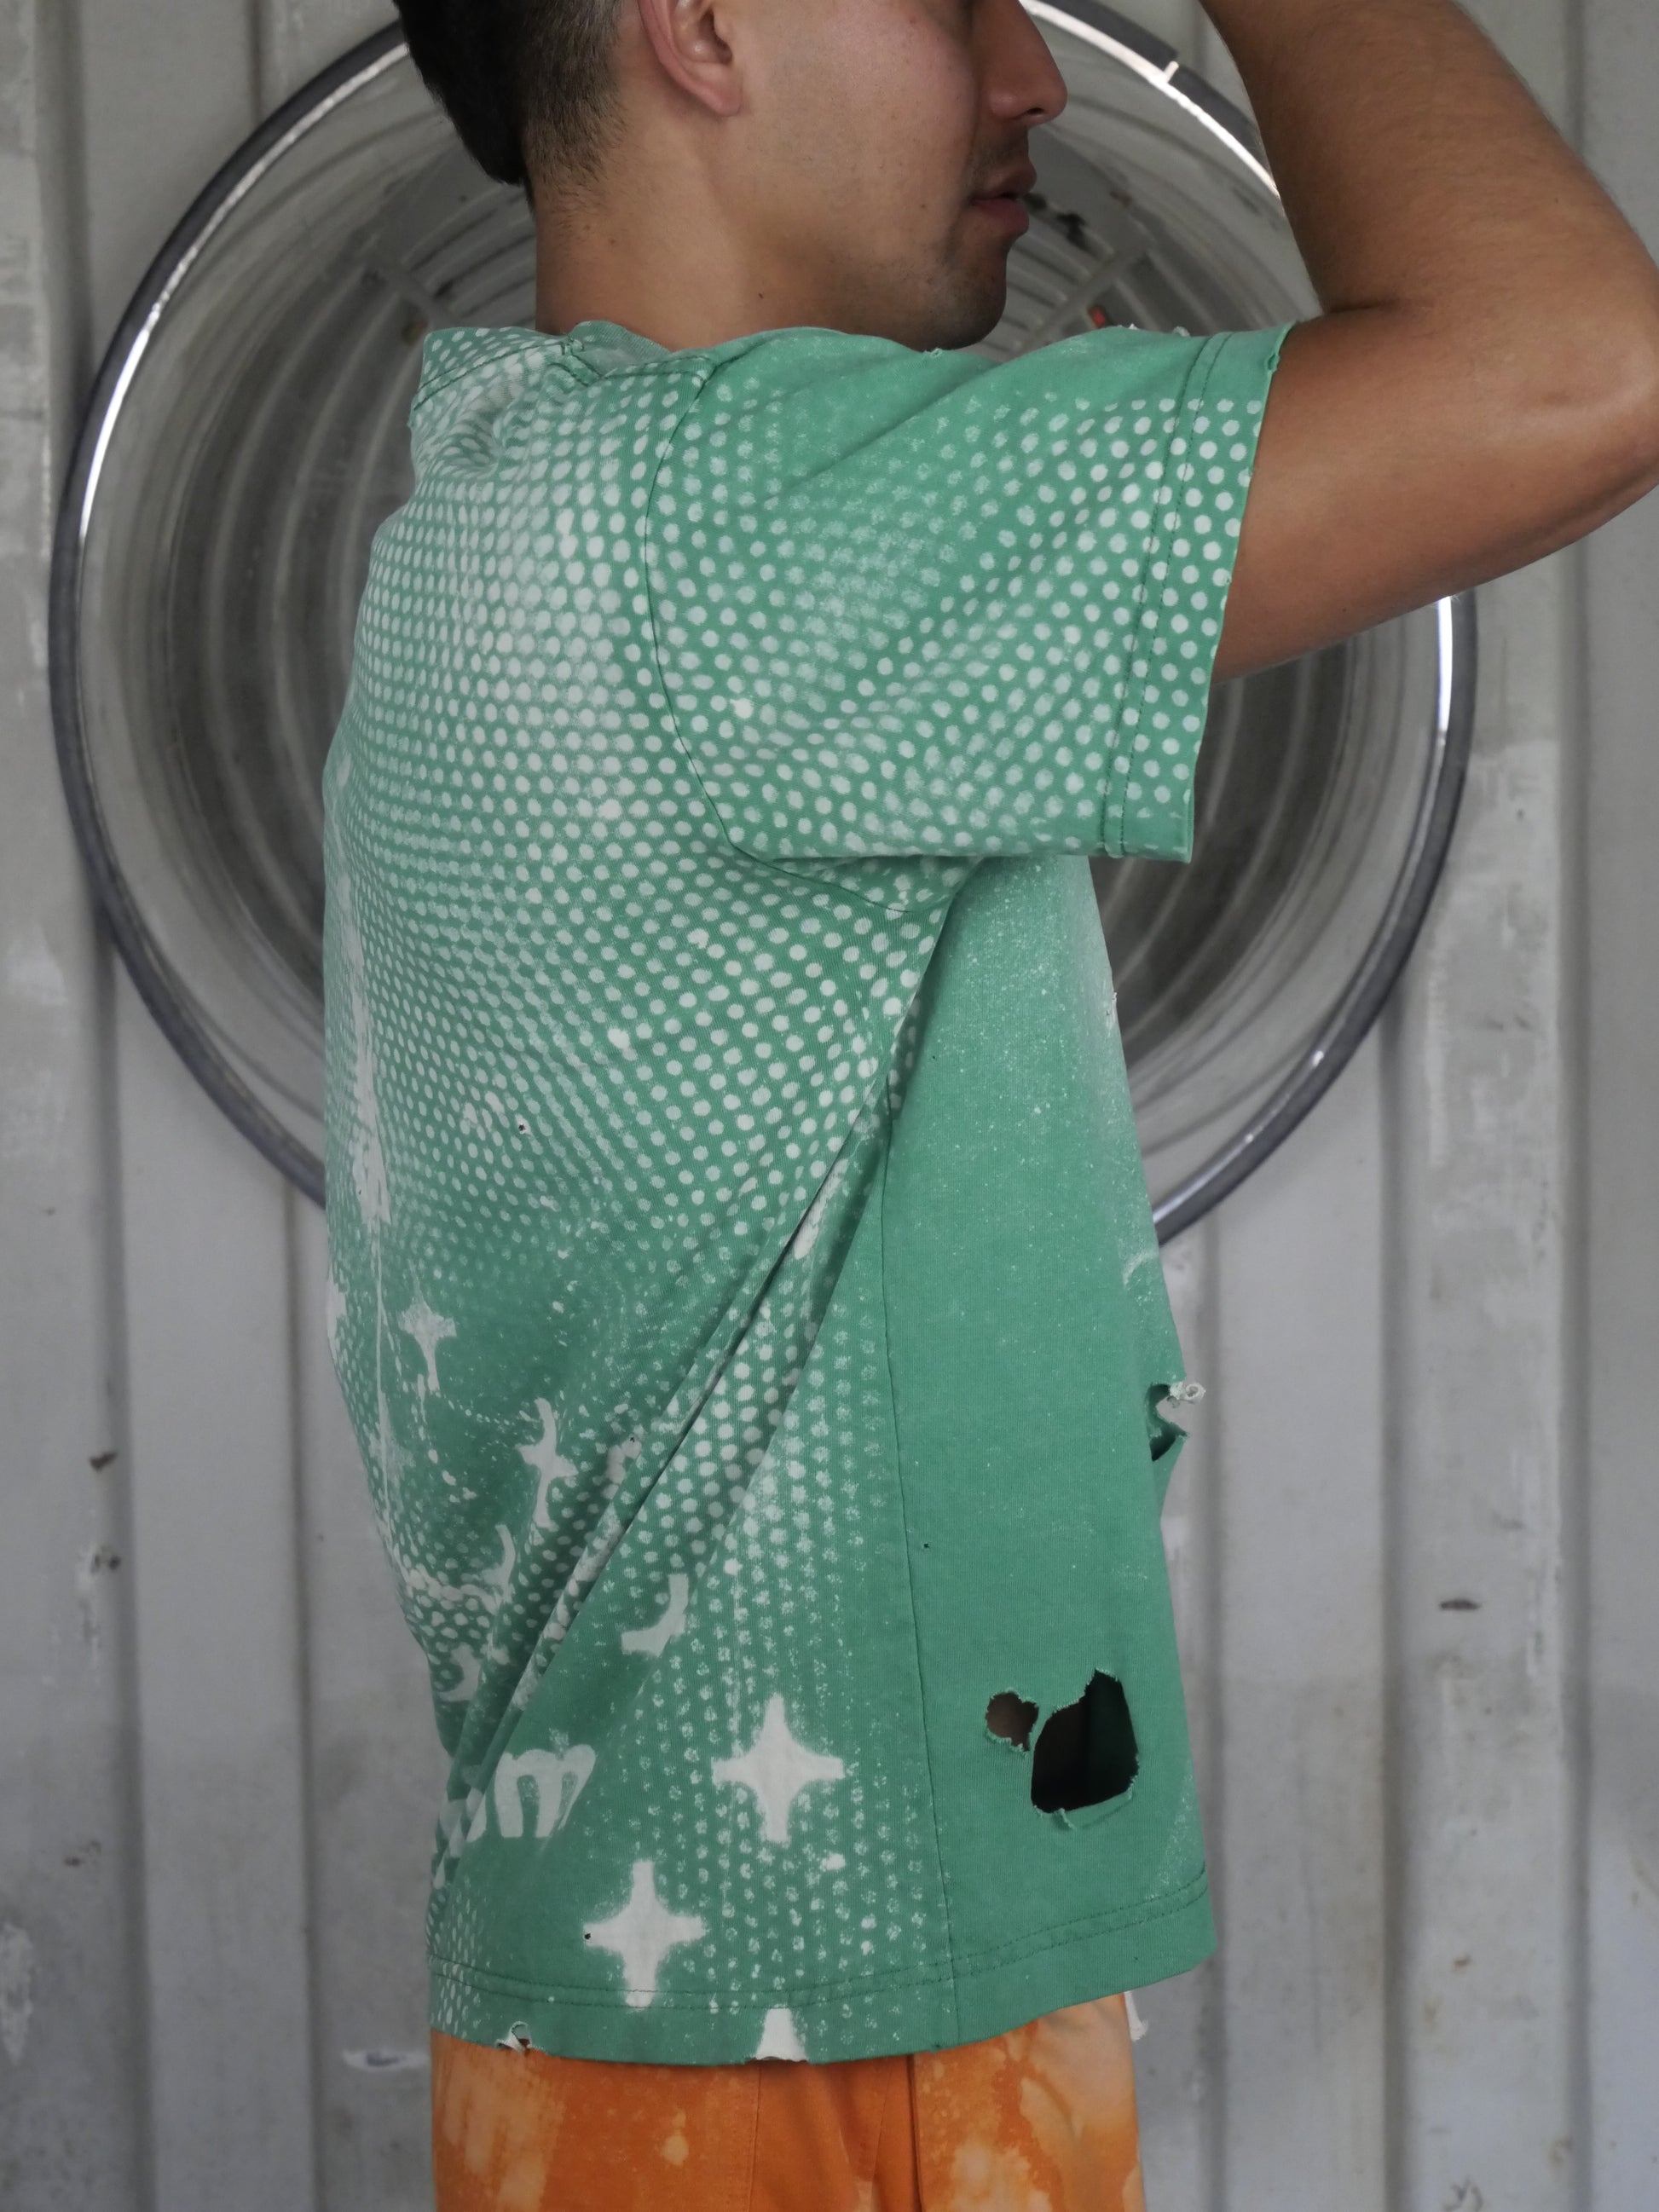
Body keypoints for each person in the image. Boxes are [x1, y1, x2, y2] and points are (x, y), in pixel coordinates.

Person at [321, 0, 1659, 2203]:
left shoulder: (514, 487)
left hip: (660, 2004)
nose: (1034, 74)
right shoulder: (742, 518)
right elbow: (1576, 369)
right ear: (701, 24)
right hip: (845, 2022)